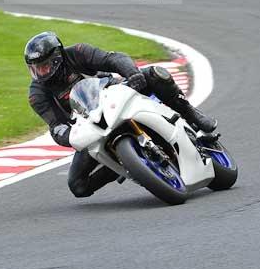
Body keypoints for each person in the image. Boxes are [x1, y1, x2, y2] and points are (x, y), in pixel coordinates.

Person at [25, 31, 217, 199]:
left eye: (44, 65)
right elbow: (56, 126)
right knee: (78, 186)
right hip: (90, 124)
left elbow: (113, 58)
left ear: (58, 57)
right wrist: (70, 136)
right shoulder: (37, 94)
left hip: (114, 93)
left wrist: (132, 74)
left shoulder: (77, 52)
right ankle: (125, 165)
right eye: (35, 68)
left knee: (156, 74)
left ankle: (191, 115)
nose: (40, 72)